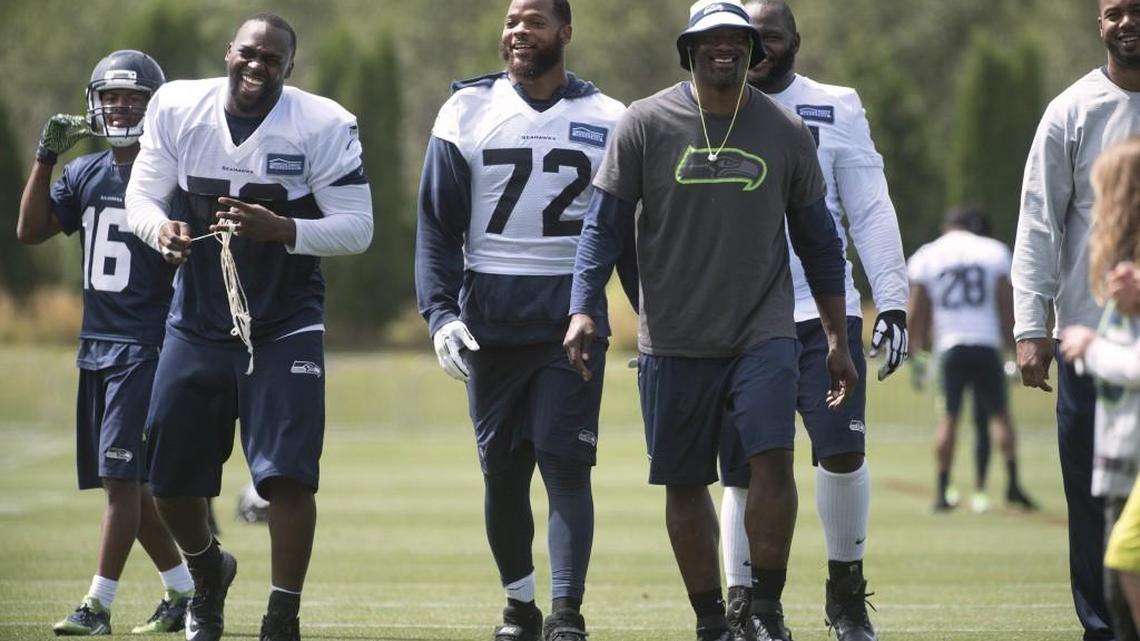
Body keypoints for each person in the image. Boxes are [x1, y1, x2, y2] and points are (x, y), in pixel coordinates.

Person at [563, 1, 858, 639]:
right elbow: (602, 228)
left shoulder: (785, 130)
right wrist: (583, 307)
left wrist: (837, 337)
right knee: (684, 481)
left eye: (737, 39)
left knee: (771, 462)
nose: (724, 47)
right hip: (673, 337)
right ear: (689, 49)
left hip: (764, 331)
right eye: (710, 39)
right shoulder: (643, 123)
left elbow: (820, 243)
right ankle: (711, 621)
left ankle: (767, 610)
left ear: (753, 49)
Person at [125, 14, 373, 641]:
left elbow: (358, 227)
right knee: (168, 480)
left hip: (285, 322)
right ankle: (208, 570)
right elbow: (141, 197)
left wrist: (283, 228)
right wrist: (160, 230)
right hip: (197, 319)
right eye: (248, 53)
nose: (257, 66)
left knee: (288, 476)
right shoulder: (178, 107)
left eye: (272, 59)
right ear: (229, 52)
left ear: (290, 67)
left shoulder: (323, 123)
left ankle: (281, 616)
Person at [415, 1, 625, 639]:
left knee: (566, 466)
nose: (518, 32)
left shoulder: (610, 117)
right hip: (492, 321)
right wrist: (439, 313)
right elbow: (437, 227)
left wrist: (654, 319)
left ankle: (565, 614)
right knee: (503, 474)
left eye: (533, 21)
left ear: (565, 32)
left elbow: (628, 236)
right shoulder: (466, 109)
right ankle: (520, 606)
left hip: (572, 316)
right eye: (511, 21)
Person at [715, 3, 909, 639]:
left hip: (821, 310)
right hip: (736, 318)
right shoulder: (705, 106)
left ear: (794, 41)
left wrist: (892, 298)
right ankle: (745, 605)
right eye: (748, 36)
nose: (758, 46)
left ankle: (845, 597)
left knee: (842, 452)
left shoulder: (834, 104)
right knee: (743, 466)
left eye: (770, 36)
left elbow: (869, 207)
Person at [15, 50, 195, 637]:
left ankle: (97, 606)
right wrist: (45, 157)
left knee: (121, 481)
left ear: (153, 106)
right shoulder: (86, 171)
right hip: (96, 342)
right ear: (94, 102)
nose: (119, 107)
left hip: (145, 342)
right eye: (111, 96)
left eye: (133, 98)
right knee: (130, 485)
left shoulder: (169, 174)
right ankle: (187, 589)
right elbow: (30, 230)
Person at [1012, 1, 1140, 637]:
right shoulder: (1072, 110)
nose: (1127, 23)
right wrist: (1030, 327)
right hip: (1090, 343)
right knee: (1093, 504)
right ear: (1100, 24)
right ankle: (1103, 628)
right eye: (1115, 13)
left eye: (1137, 10)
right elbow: (1040, 221)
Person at [907, 207, 1038, 515]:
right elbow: (1006, 304)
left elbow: (917, 308)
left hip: (950, 344)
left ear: (947, 226)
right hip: (986, 342)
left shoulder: (928, 254)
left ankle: (942, 489)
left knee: (948, 417)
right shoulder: (993, 251)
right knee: (1001, 416)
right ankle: (1012, 483)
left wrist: (915, 352)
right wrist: (1015, 347)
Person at [1061, 137, 1140, 641]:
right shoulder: (1125, 281)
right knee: (1117, 588)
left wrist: (1091, 350)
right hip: (1122, 466)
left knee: (1122, 579)